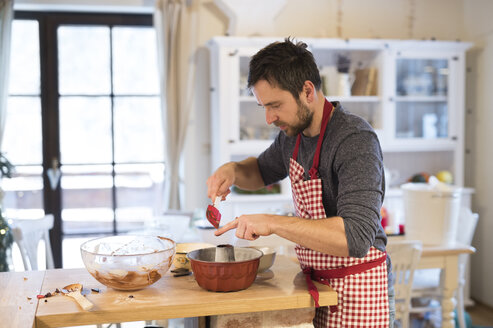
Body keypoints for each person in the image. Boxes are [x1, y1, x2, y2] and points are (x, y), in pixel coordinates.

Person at [206, 38, 395, 328]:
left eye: (275, 105)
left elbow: (355, 238)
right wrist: (231, 170)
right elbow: (260, 171)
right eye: (263, 107)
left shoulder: (354, 139)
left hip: (359, 289)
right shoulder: (292, 135)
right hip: (317, 287)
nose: (269, 118)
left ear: (307, 91)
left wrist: (274, 222)